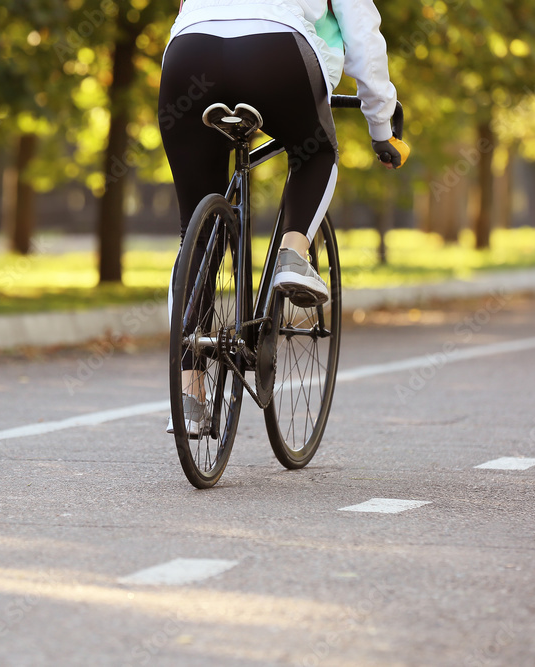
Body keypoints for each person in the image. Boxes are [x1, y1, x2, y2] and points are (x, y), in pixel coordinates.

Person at [162, 0, 410, 435]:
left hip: (188, 54)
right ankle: (293, 254)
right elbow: (362, 34)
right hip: (275, 52)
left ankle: (189, 394)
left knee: (195, 242)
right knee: (317, 152)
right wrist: (381, 127)